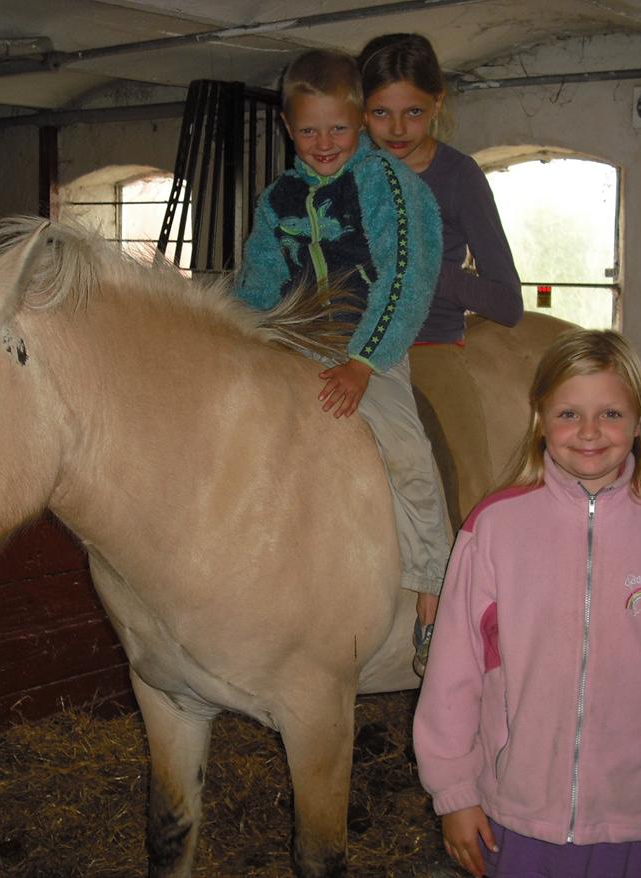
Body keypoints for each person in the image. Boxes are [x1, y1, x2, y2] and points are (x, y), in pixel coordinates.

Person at [413, 329, 641, 878]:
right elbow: (453, 671)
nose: (589, 432)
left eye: (610, 414)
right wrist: (455, 792)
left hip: (632, 820)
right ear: (539, 418)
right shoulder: (494, 529)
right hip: (511, 814)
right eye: (568, 414)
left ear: (639, 422)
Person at [234, 48, 452, 672]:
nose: (324, 142)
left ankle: (432, 593)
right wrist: (243, 335)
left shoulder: (389, 186)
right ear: (287, 127)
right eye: (309, 129)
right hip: (295, 341)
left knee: (410, 457)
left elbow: (407, 278)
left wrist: (364, 363)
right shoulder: (279, 197)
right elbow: (260, 277)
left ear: (359, 122)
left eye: (337, 128)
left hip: (368, 344)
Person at [357, 33, 525, 668]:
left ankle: (458, 630)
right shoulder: (349, 170)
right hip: (349, 343)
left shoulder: (458, 177)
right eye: (380, 113)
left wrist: (426, 271)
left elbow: (506, 301)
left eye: (414, 112)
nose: (397, 129)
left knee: (467, 486)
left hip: (429, 343)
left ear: (439, 104)